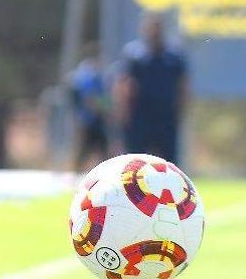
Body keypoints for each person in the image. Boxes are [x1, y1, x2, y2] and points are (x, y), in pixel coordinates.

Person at [115, 13, 190, 162]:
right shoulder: (134, 54)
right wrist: (123, 112)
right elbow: (124, 84)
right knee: (135, 160)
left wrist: (181, 110)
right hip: (140, 115)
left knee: (169, 160)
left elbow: (183, 85)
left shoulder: (174, 56)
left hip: (165, 115)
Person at [68, 46, 112, 173]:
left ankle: (103, 175)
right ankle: (74, 174)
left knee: (101, 151)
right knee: (84, 150)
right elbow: (89, 98)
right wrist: (103, 108)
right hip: (89, 120)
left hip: (93, 120)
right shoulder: (88, 75)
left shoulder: (90, 74)